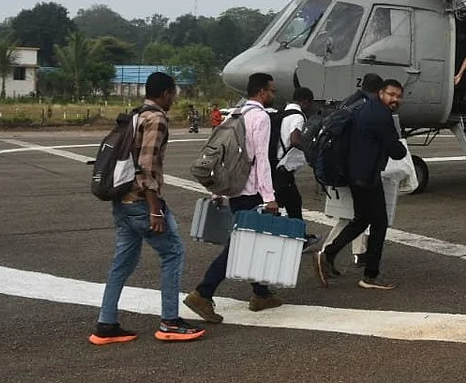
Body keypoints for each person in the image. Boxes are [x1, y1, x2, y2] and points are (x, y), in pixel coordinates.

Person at [90, 71, 205, 345]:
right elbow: (147, 165)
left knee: (122, 263)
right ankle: (170, 322)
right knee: (173, 252)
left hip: (122, 201)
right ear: (166, 93)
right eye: (174, 93)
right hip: (142, 203)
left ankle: (105, 324)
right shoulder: (156, 119)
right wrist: (155, 209)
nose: (174, 99)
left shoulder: (136, 115)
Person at [182, 73, 283, 324]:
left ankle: (261, 293)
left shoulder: (235, 114)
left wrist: (219, 190)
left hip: (234, 189)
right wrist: (270, 197)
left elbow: (225, 156)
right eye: (271, 91)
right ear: (261, 92)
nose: (273, 94)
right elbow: (262, 160)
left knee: (251, 242)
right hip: (250, 192)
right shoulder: (260, 117)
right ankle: (203, 292)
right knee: (240, 246)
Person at [314, 79, 408, 290]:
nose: (395, 99)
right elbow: (396, 150)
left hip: (355, 173)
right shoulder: (381, 116)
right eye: (391, 94)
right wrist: (399, 146)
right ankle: (370, 275)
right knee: (379, 224)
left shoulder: (365, 107)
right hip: (366, 177)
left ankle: (327, 255)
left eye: (398, 96)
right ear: (381, 92)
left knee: (361, 219)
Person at [272, 86, 321, 250]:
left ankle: (299, 237)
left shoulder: (285, 112)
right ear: (306, 101)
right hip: (284, 169)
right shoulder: (298, 116)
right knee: (285, 204)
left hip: (277, 165)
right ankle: (295, 239)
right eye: (310, 103)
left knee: (292, 202)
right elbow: (294, 139)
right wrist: (310, 150)